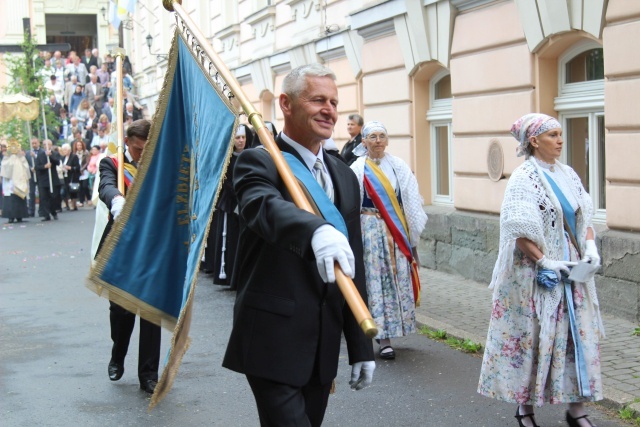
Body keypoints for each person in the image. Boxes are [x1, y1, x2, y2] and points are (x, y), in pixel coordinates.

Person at [223, 63, 375, 427]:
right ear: (286, 105)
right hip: (272, 339)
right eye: (318, 100)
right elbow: (263, 207)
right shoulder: (257, 162)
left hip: (322, 345)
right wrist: (314, 230)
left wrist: (360, 344)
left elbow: (354, 262)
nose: (330, 110)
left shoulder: (343, 174)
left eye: (334, 103)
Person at [477, 114, 604, 427]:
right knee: (531, 338)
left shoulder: (568, 174)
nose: (560, 140)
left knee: (576, 338)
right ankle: (525, 408)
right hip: (532, 275)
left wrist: (590, 248)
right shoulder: (524, 177)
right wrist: (545, 261)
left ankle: (577, 410)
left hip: (572, 271)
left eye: (561, 134)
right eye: (553, 135)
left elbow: (584, 217)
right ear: (534, 141)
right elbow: (518, 230)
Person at [350, 121, 428, 360]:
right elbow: (352, 204)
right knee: (377, 281)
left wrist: (412, 239)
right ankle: (383, 338)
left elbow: (410, 201)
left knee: (396, 280)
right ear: (363, 142)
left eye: (382, 136)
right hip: (370, 231)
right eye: (372, 137)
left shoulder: (398, 166)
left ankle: (396, 327)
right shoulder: (357, 168)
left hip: (395, 232)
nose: (378, 141)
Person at [97, 119, 160, 394]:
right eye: (136, 150)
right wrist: (116, 200)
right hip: (122, 247)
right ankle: (117, 354)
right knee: (121, 312)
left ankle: (148, 373)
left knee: (150, 313)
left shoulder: (159, 163)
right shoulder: (112, 163)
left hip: (152, 246)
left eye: (146, 149)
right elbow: (106, 186)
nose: (141, 155)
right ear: (127, 143)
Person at [205, 125, 247, 282]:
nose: (241, 141)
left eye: (243, 137)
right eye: (238, 137)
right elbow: (226, 181)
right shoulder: (227, 159)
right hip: (230, 203)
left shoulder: (250, 155)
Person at [1, 139, 30, 223]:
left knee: (19, 197)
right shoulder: (6, 157)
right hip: (10, 182)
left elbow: (26, 167)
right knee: (10, 199)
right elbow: (4, 167)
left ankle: (20, 215)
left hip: (19, 181)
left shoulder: (21, 157)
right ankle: (11, 216)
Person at [35, 139, 61, 221]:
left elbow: (58, 162)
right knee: (44, 198)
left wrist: (50, 156)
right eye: (44, 145)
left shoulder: (55, 153)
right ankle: (46, 215)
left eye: (47, 144)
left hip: (52, 179)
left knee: (53, 197)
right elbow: (37, 167)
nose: (45, 146)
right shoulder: (40, 155)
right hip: (43, 180)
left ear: (51, 145)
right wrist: (44, 166)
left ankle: (54, 212)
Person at [58, 142, 80, 211]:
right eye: (63, 150)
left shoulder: (74, 156)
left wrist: (69, 168)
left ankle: (74, 205)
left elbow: (77, 167)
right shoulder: (62, 157)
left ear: (69, 150)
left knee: (73, 191)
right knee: (64, 191)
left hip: (72, 176)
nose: (64, 151)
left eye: (65, 150)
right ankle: (67, 205)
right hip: (64, 176)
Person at [25, 137, 41, 217]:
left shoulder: (42, 152)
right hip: (31, 175)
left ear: (38, 143)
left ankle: (42, 210)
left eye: (35, 143)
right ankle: (31, 211)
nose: (34, 145)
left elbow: (42, 161)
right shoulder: (27, 153)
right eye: (32, 143)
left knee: (41, 193)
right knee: (31, 193)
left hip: (40, 175)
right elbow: (25, 163)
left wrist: (35, 156)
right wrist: (30, 168)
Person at [73, 140, 91, 207]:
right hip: (78, 172)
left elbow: (87, 162)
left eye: (80, 145)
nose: (79, 147)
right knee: (80, 187)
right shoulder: (74, 154)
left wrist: (82, 169)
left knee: (85, 186)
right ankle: (81, 201)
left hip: (85, 171)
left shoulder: (86, 152)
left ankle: (89, 198)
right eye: (78, 145)